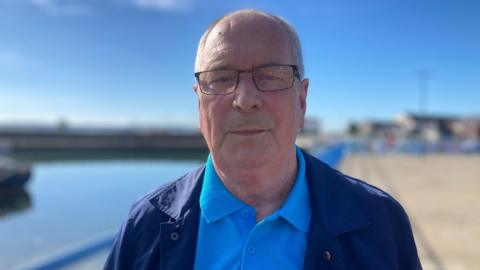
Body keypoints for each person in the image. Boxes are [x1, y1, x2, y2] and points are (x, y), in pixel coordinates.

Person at [104, 9, 422, 270]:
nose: (245, 99)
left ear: (302, 101)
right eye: (221, 78)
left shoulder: (381, 223)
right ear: (199, 103)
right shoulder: (145, 225)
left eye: (271, 75)